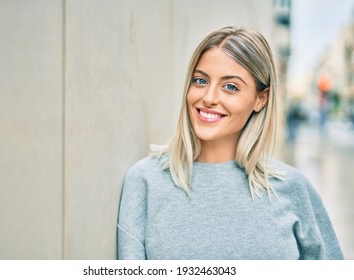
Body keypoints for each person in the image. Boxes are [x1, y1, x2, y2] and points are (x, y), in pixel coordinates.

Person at [117, 26, 344, 260]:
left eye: (230, 87)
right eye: (200, 80)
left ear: (260, 99)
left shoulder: (294, 189)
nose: (209, 97)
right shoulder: (145, 181)